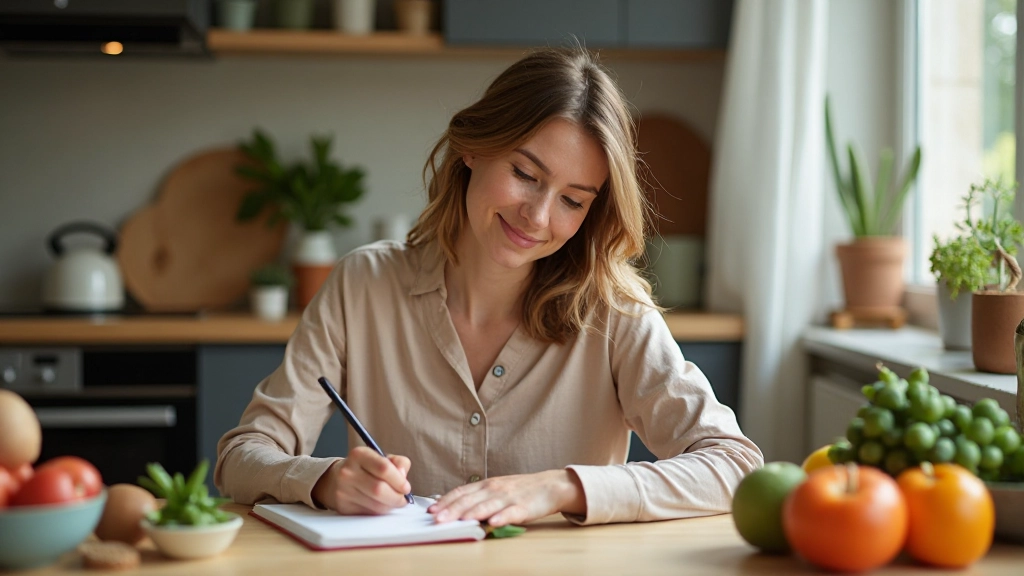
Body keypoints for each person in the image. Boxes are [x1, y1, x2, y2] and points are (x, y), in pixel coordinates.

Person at [216, 47, 763, 527]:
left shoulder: (613, 310)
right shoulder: (363, 284)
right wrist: (325, 480)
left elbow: (735, 467)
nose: (538, 216)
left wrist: (562, 487)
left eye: (572, 200)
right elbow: (241, 456)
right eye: (525, 174)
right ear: (473, 146)